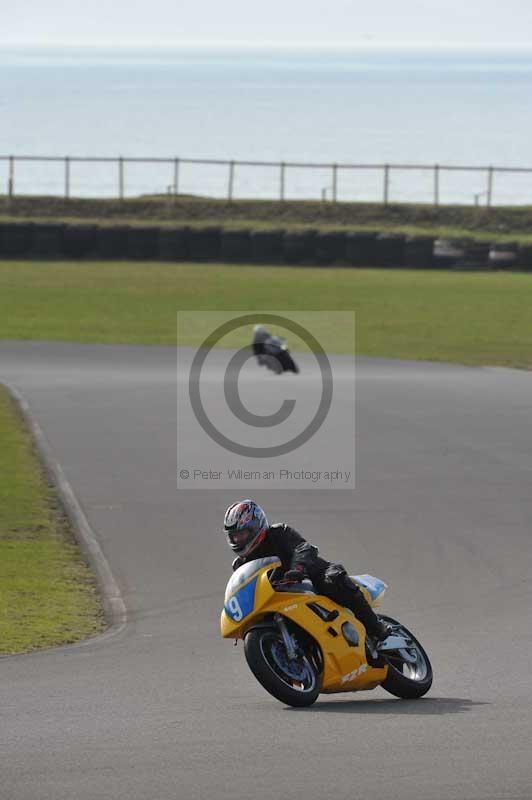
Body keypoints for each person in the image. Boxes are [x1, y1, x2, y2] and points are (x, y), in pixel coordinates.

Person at [223, 499, 391, 644]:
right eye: (234, 536)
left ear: (255, 527)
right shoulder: (240, 565)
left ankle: (377, 628)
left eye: (242, 534)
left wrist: (297, 569)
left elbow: (304, 548)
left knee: (333, 580)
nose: (238, 539)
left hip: (311, 576)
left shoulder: (278, 533)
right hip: (279, 598)